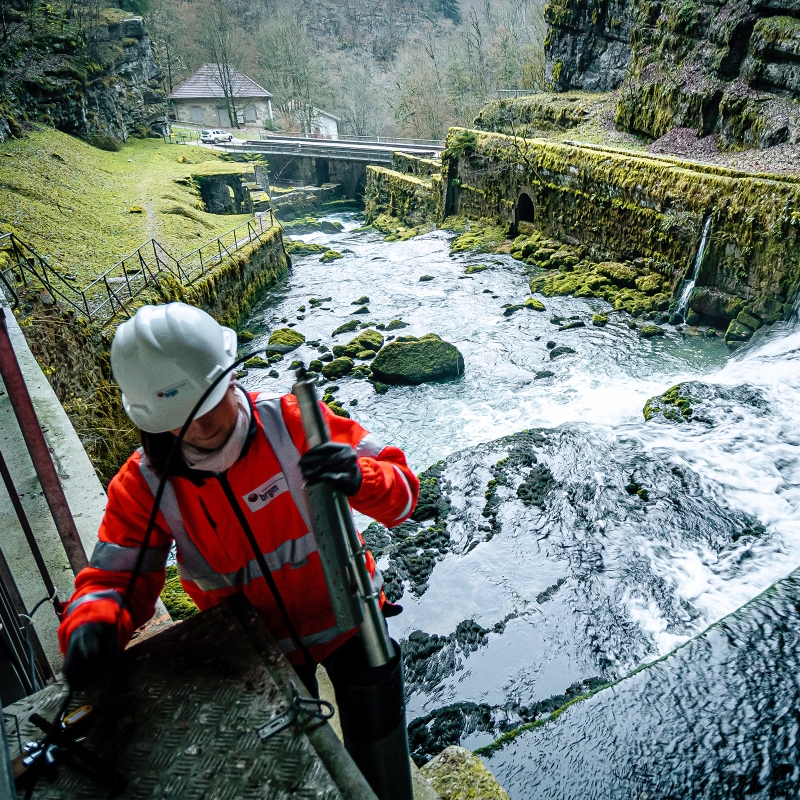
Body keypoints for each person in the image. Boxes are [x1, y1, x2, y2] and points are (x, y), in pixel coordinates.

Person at [58, 302, 419, 695]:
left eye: (209, 401)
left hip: (354, 623)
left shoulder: (295, 423)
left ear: (231, 377)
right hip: (256, 656)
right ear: (153, 418)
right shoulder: (144, 484)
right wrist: (91, 625)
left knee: (377, 744)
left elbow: (403, 498)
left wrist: (359, 476)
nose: (202, 423)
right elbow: (117, 578)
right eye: (180, 413)